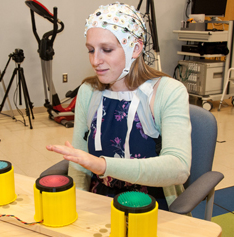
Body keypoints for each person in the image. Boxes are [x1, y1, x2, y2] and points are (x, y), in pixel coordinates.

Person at [46, 2, 191, 210]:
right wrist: (74, 208)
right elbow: (79, 164)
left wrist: (103, 165)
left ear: (135, 48)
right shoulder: (89, 91)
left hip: (150, 208)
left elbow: (179, 168)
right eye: (90, 50)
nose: (96, 61)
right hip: (100, 203)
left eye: (106, 49)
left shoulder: (168, 92)